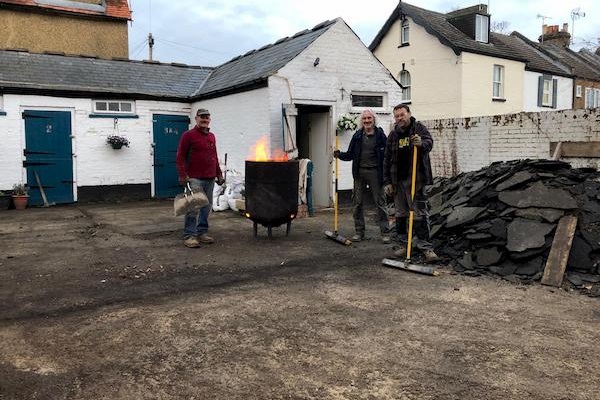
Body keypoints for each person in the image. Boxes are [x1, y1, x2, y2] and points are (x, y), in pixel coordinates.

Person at [383, 104, 439, 262]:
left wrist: (421, 143)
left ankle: (425, 247)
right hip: (397, 181)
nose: (400, 118)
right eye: (397, 116)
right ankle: (403, 245)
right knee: (400, 214)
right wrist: (387, 181)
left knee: (420, 214)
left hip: (416, 180)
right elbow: (387, 159)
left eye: (402, 115)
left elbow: (429, 143)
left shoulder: (419, 129)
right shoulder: (394, 135)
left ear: (409, 114)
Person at [334, 109, 390, 243]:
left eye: (369, 118)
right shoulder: (357, 136)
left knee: (380, 203)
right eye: (364, 119)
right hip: (359, 173)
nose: (367, 121)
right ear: (361, 121)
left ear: (374, 119)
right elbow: (350, 154)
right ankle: (359, 232)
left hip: (376, 173)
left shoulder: (381, 135)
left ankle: (385, 233)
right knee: (357, 203)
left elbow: (388, 154)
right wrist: (339, 154)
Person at [176, 108, 224, 248]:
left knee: (206, 207)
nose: (204, 120)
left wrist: (219, 173)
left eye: (207, 117)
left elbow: (214, 156)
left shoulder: (211, 136)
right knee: (193, 207)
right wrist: (183, 175)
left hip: (210, 177)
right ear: (196, 119)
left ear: (209, 120)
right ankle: (189, 235)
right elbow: (180, 156)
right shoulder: (188, 135)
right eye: (201, 117)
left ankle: (202, 232)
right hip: (194, 178)